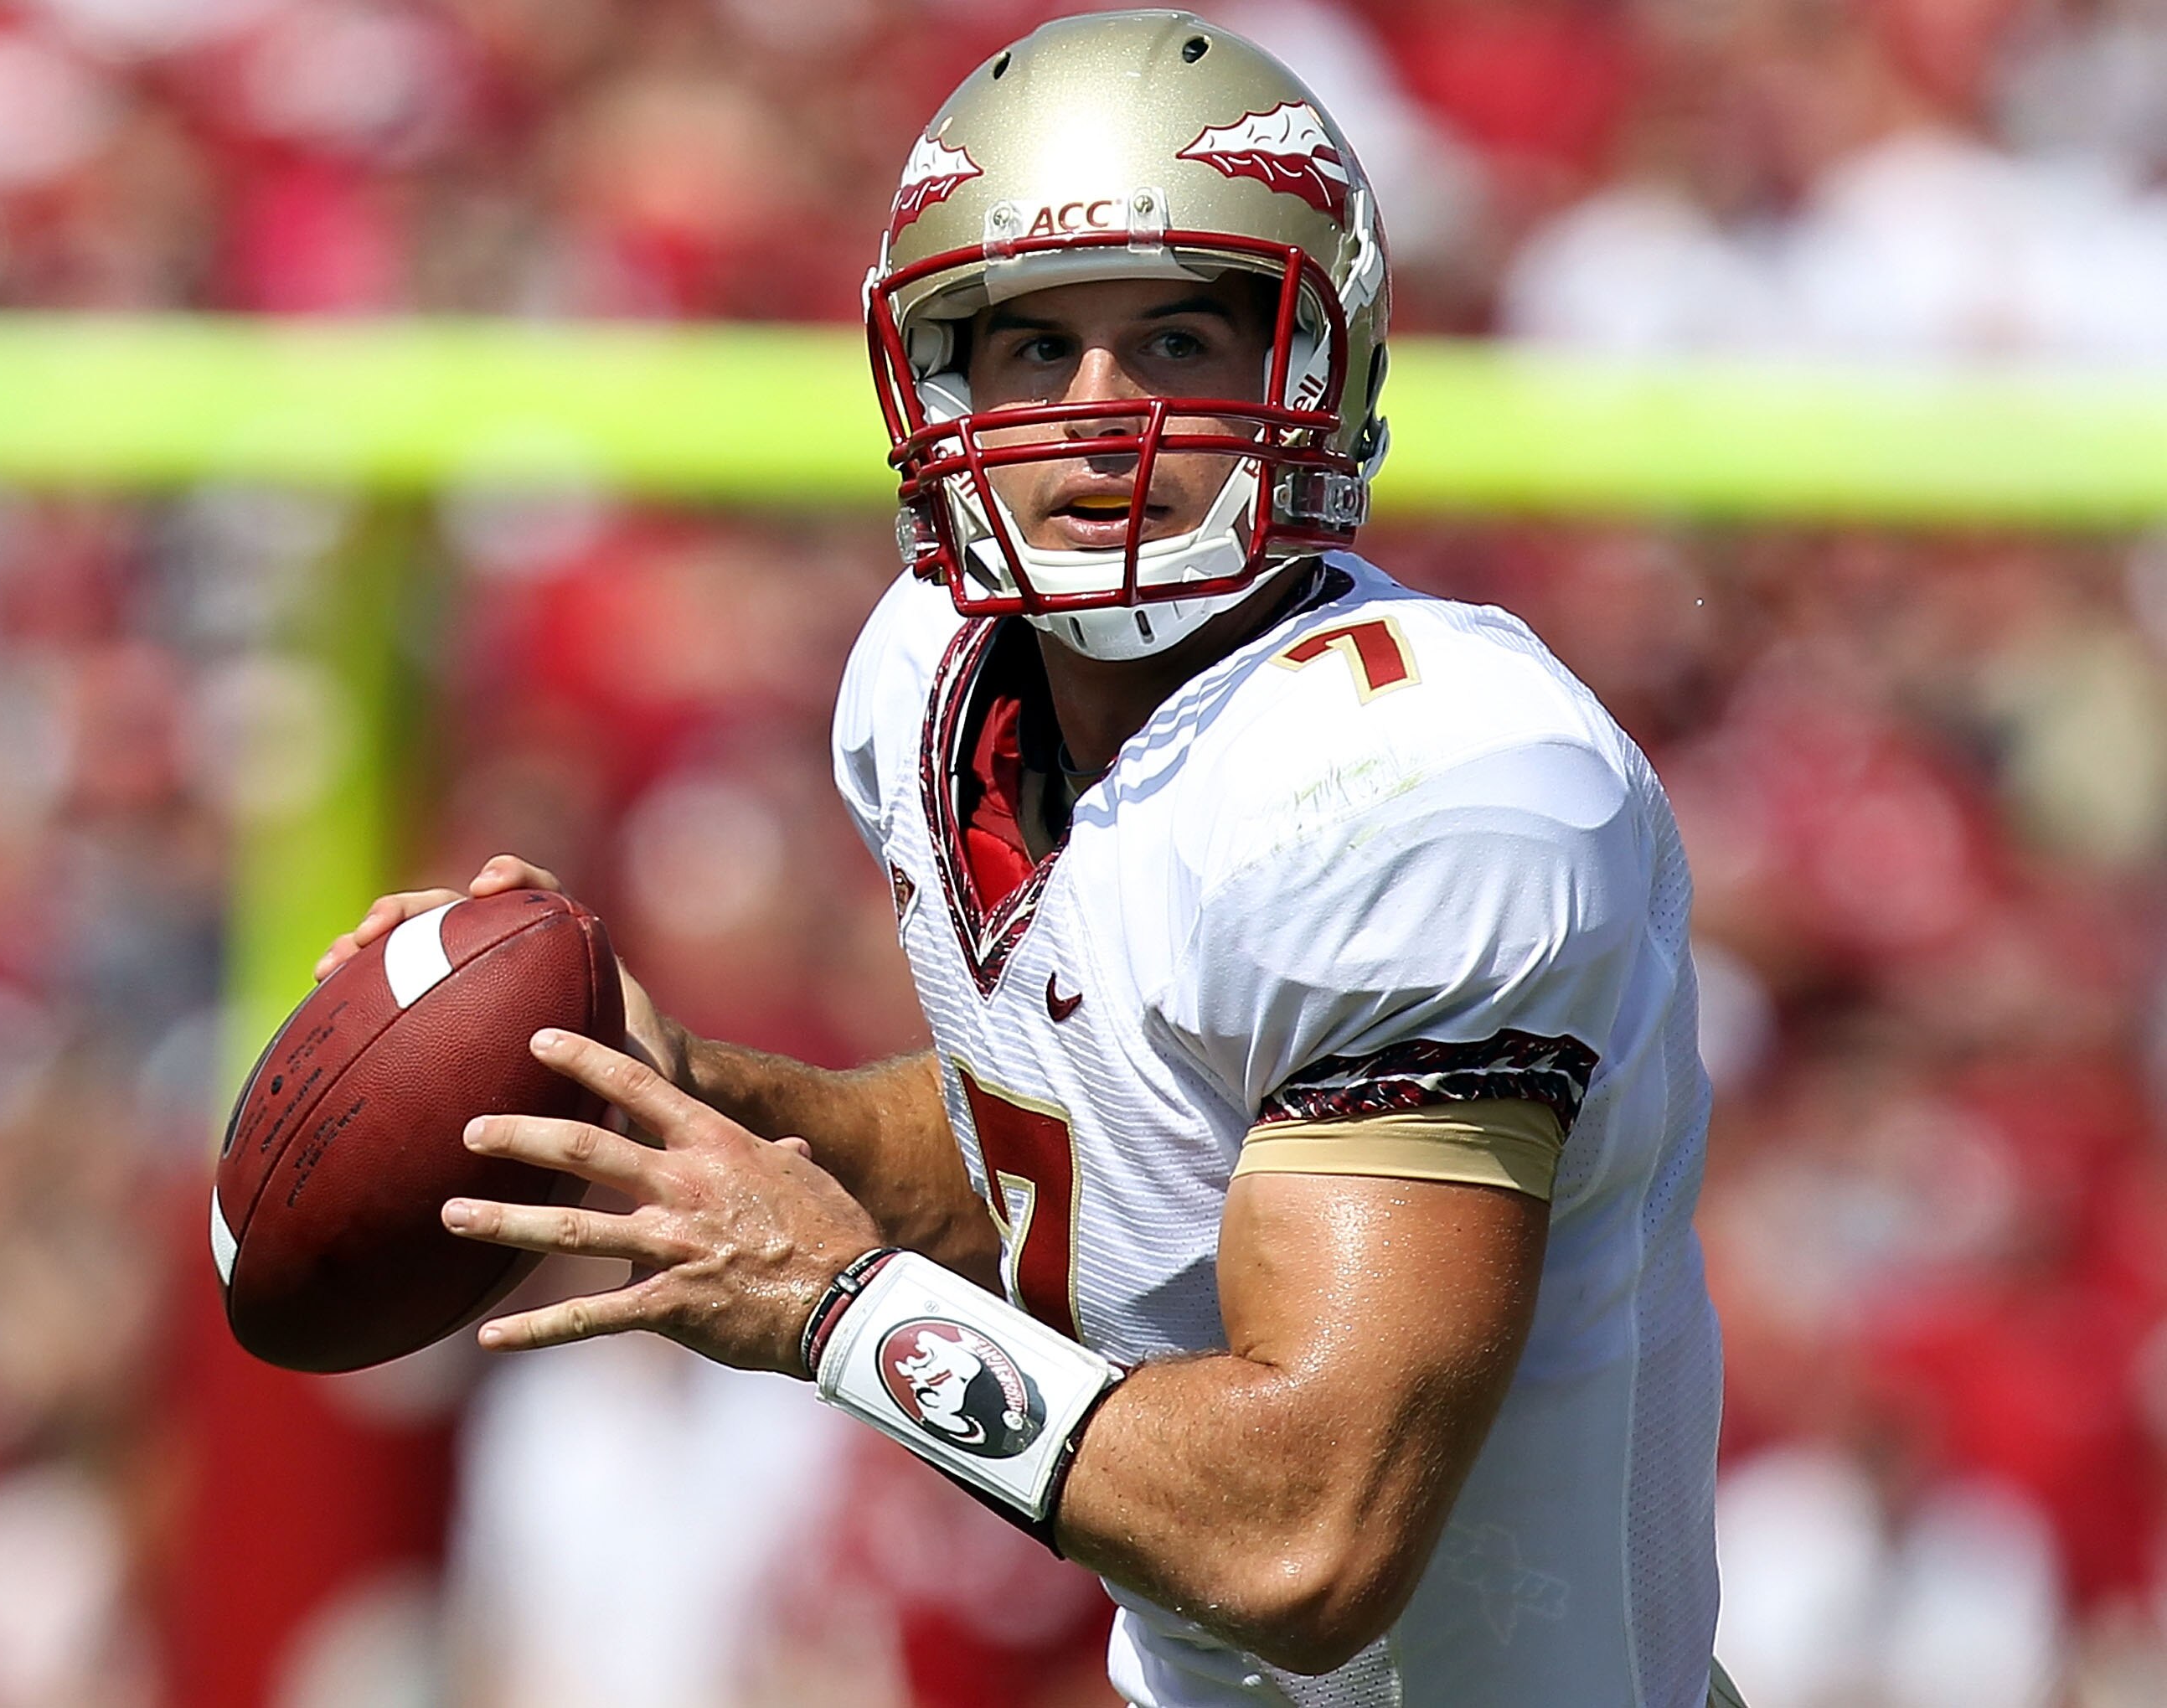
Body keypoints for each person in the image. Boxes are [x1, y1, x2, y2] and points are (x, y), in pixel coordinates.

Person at [313, 13, 1738, 1705]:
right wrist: (688, 1097)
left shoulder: (1436, 782)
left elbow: (1311, 1540)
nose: (1097, 415)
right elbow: (1075, 1149)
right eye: (1035, 346)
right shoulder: (926, 675)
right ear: (936, 380)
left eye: (1178, 338)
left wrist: (836, 1308)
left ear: (1312, 365)